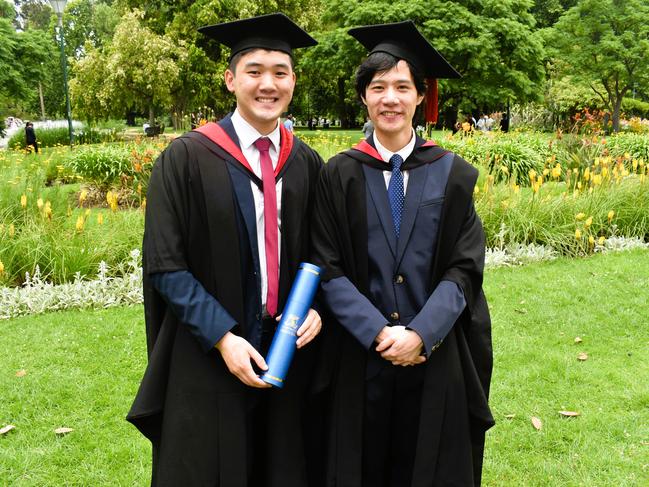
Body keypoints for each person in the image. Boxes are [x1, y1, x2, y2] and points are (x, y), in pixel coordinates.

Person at [127, 13, 324, 486]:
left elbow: (322, 252)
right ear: (230, 80)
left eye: (280, 72)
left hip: (286, 351)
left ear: (293, 81)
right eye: (254, 71)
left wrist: (317, 306)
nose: (268, 84)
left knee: (285, 469)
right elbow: (165, 264)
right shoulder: (186, 158)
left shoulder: (306, 163)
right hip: (210, 355)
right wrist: (223, 338)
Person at [312, 20, 494, 487]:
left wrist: (420, 333)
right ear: (364, 98)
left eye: (401, 86)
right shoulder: (338, 174)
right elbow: (326, 267)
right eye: (378, 87)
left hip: (433, 357)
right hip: (358, 357)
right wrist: (377, 332)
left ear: (419, 97)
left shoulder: (453, 174)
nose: (389, 98)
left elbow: (464, 267)